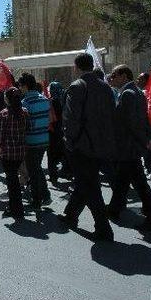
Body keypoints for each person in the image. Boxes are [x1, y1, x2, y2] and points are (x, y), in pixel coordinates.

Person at [59, 53, 116, 242]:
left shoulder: (77, 87)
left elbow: (71, 119)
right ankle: (70, 214)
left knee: (91, 187)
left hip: (83, 146)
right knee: (86, 182)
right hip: (102, 145)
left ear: (77, 67)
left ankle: (103, 228)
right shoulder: (106, 87)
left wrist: (70, 143)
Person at [106, 65, 151, 231]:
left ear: (124, 76)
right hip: (131, 146)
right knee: (122, 181)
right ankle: (114, 209)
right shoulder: (136, 92)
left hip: (128, 146)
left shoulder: (128, 94)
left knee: (141, 185)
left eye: (114, 75)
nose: (112, 78)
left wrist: (142, 141)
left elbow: (132, 123)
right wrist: (146, 139)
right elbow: (144, 119)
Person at [0, 87, 29, 219]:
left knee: (12, 181)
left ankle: (16, 209)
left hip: (8, 153)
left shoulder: (3, 114)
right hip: (20, 152)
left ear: (7, 99)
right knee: (14, 181)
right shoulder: (24, 112)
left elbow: (0, 135)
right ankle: (15, 207)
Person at [18, 73, 52, 208]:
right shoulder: (44, 99)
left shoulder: (25, 104)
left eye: (20, 86)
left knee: (33, 171)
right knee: (36, 168)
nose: (20, 88)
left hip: (31, 141)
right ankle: (45, 195)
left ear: (25, 86)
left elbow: (25, 126)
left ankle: (37, 200)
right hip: (44, 139)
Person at [46, 81, 66, 184]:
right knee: (63, 151)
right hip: (62, 130)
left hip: (52, 130)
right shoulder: (64, 100)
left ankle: (53, 175)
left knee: (51, 154)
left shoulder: (50, 102)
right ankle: (66, 170)